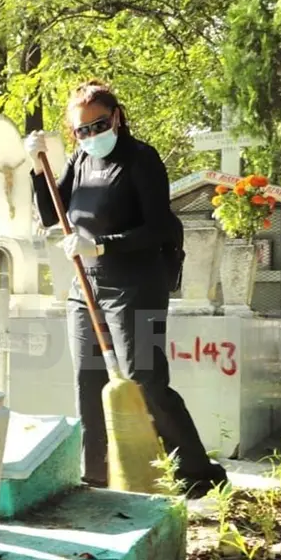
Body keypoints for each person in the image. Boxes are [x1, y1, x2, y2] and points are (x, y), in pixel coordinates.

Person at [24, 80, 227, 499]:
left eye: (98, 125)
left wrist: (101, 245)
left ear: (116, 117)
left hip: (138, 286)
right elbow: (50, 214)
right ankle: (97, 475)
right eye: (81, 130)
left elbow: (159, 227)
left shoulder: (141, 159)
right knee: (88, 379)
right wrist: (37, 169)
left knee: (145, 379)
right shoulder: (80, 160)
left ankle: (198, 474)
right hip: (85, 286)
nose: (91, 135)